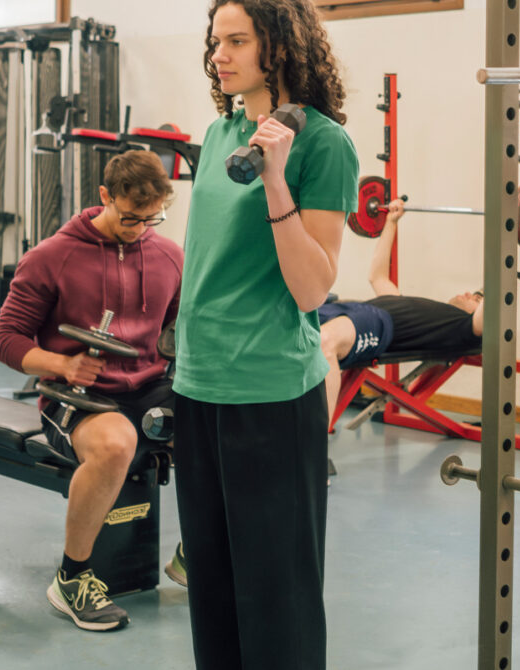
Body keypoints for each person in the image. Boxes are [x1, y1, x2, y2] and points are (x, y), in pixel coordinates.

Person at [171, 0, 359, 667]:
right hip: (199, 385)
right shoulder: (219, 134)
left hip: (271, 393)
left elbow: (313, 289)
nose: (219, 54)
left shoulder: (325, 143)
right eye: (215, 40)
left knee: (277, 598)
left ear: (279, 46)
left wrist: (276, 180)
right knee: (213, 591)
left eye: (237, 40)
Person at [0, 150, 183, 632]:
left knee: (224, 421)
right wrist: (62, 363)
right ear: (104, 196)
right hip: (75, 399)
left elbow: (180, 328)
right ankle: (72, 577)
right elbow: (6, 338)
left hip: (151, 387)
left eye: (150, 218)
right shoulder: (53, 257)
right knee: (118, 443)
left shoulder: (169, 257)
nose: (139, 228)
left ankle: (196, 552)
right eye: (129, 216)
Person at [319, 198, 484, 423]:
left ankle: (315, 450)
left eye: (476, 298)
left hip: (377, 324)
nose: (467, 293)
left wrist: (504, 235)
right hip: (351, 309)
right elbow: (377, 276)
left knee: (324, 343)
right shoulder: (407, 305)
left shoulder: (463, 327)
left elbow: (494, 305)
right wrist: (391, 221)